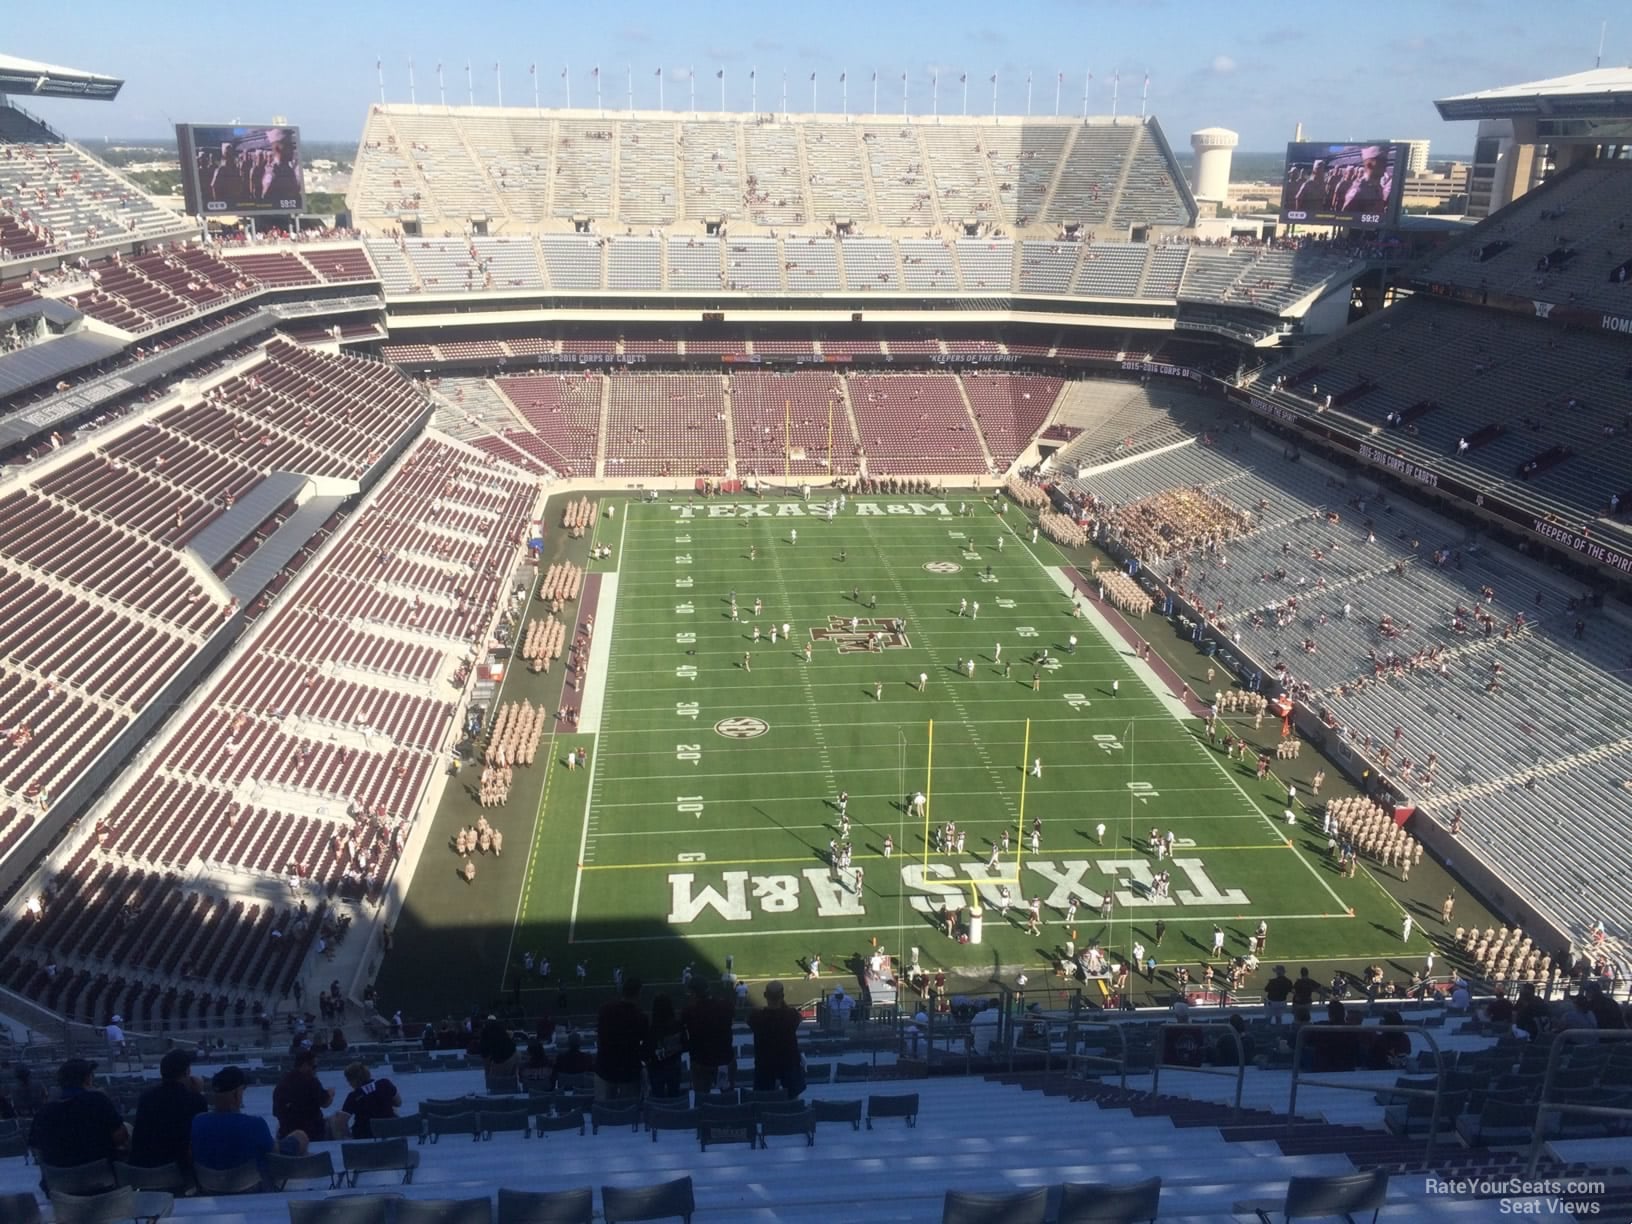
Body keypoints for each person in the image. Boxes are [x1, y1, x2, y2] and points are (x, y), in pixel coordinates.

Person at [192, 1065, 304, 1177]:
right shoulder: (255, 1125)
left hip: (210, 1186)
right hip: (251, 1187)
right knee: (300, 1136)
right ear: (236, 1094)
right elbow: (276, 1155)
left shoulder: (198, 1122)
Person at [28, 1059, 127, 1182]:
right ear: (87, 1079)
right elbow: (120, 1135)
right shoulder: (98, 1100)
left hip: (61, 1183)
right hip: (101, 1178)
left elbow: (36, 1148)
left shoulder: (44, 1112)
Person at [128, 1049, 208, 1171]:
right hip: (178, 1173)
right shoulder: (195, 1100)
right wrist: (198, 1094)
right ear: (187, 1072)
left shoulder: (146, 1098)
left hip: (145, 1172)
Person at [595, 976, 649, 1102]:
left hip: (606, 1068)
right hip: (628, 1071)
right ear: (639, 993)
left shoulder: (605, 1010)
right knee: (629, 1111)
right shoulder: (640, 1017)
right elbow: (645, 1046)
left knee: (606, 1111)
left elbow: (600, 1038)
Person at [748, 980, 805, 1099]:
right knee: (793, 1100)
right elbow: (797, 1017)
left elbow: (749, 1019)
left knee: (763, 1100)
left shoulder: (756, 1017)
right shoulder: (792, 1015)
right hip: (788, 1065)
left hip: (764, 1066)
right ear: (782, 996)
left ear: (765, 995)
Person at [683, 978, 736, 1093]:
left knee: (702, 1101)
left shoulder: (689, 1011)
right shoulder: (725, 1006)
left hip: (701, 1062)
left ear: (693, 993)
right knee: (727, 1098)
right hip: (723, 1060)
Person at [273, 1047, 336, 1143]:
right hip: (314, 1134)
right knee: (336, 1119)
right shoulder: (311, 1082)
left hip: (288, 1134)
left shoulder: (282, 1083)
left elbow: (276, 1112)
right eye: (314, 1067)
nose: (315, 1070)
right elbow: (325, 1103)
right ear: (305, 1065)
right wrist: (331, 1094)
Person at [340, 1063, 401, 1139]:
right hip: (389, 1129)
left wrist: (349, 1137)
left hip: (363, 1134)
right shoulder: (385, 1083)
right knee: (395, 1112)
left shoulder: (353, 1096)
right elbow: (398, 1102)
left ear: (353, 1080)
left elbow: (341, 1122)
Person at [644, 993, 687, 1099]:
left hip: (655, 1068)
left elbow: (646, 1050)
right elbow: (685, 1045)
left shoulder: (651, 1029)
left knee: (658, 1097)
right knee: (674, 1097)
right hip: (673, 1066)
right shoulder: (677, 1025)